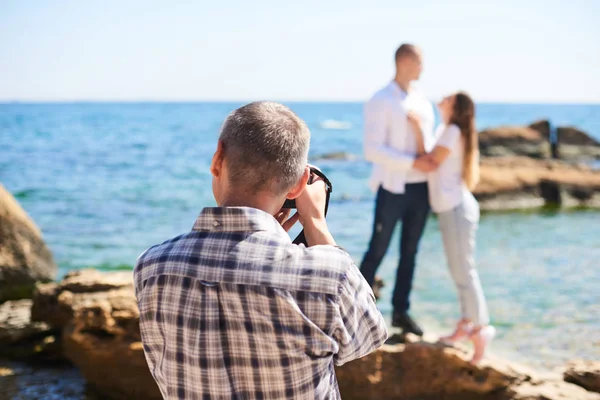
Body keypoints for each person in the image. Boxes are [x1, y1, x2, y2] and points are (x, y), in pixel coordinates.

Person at [134, 101, 388, 399]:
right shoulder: (329, 275)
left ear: (217, 159)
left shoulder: (152, 268)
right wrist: (315, 223)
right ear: (298, 185)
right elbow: (368, 338)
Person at [408, 92, 495, 364]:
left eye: (447, 98)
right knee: (459, 269)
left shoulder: (452, 130)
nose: (440, 99)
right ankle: (467, 323)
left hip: (456, 209)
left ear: (454, 107)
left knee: (464, 270)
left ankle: (482, 329)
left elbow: (431, 161)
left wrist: (409, 139)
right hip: (452, 208)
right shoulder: (448, 129)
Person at [360, 43, 435, 336]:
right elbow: (372, 150)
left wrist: (424, 163)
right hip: (392, 187)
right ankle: (357, 308)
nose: (423, 68)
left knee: (410, 252)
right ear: (405, 61)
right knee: (378, 248)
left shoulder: (423, 102)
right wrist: (413, 163)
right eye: (420, 61)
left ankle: (401, 313)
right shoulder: (381, 100)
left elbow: (427, 147)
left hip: (421, 189)